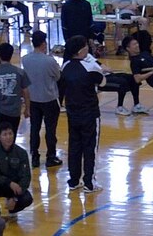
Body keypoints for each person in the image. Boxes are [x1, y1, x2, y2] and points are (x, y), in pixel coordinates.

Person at [60, 38, 104, 191]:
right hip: (90, 113)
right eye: (86, 47)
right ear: (80, 50)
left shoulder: (65, 66)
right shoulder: (90, 67)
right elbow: (102, 81)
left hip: (73, 114)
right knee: (90, 147)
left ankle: (73, 180)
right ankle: (89, 183)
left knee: (75, 146)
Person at [23, 30, 63, 170]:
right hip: (49, 98)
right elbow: (57, 77)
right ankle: (51, 156)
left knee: (35, 128)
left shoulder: (25, 59)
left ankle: (34, 156)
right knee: (50, 130)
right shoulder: (49, 61)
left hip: (33, 99)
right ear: (43, 43)